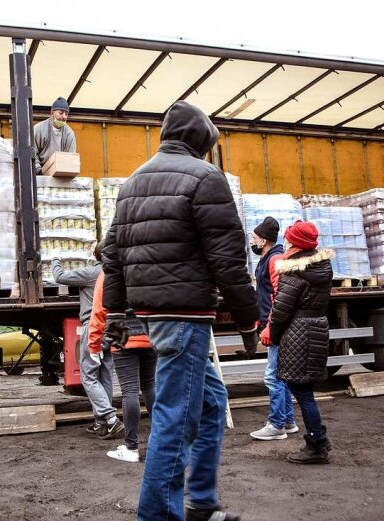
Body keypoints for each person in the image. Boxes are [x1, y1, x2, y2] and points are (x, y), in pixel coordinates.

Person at [102, 100, 259, 521]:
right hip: (186, 315)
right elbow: (228, 259)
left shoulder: (132, 182)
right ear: (202, 140)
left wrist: (116, 314)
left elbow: (111, 255)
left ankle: (202, 504)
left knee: (210, 403)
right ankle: (158, 516)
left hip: (152, 313)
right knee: (176, 419)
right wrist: (248, 318)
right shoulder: (207, 177)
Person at [265, 220, 334, 464]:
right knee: (304, 390)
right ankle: (318, 440)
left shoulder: (294, 271)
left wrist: (272, 335)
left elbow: (282, 309)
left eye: (289, 239)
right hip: (315, 327)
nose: (286, 243)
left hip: (298, 332)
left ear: (296, 243)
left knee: (303, 392)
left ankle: (317, 444)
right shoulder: (322, 266)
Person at [52, 243, 124, 439]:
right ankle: (101, 422)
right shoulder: (118, 272)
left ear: (96, 255)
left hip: (94, 327)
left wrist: (56, 259)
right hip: (113, 327)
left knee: (89, 376)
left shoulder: (93, 272)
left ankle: (110, 419)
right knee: (105, 374)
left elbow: (60, 277)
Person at [89, 266, 156, 463]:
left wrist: (94, 344)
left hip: (122, 334)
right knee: (151, 387)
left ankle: (131, 447)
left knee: (129, 391)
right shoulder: (146, 264)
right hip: (149, 333)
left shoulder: (110, 271)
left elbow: (100, 310)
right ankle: (160, 442)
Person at [248, 216, 299, 441]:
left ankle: (277, 424)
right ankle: (288, 421)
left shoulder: (275, 258)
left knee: (273, 376)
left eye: (253, 238)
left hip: (277, 325)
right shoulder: (267, 257)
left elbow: (280, 296)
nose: (251, 241)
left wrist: (270, 326)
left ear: (263, 240)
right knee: (280, 374)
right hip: (273, 323)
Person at [33, 96, 76, 175]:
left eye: (66, 114)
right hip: (39, 173)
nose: (64, 117)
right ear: (52, 113)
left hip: (60, 174)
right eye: (61, 113)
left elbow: (70, 158)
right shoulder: (38, 129)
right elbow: (32, 153)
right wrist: (39, 171)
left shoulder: (69, 134)